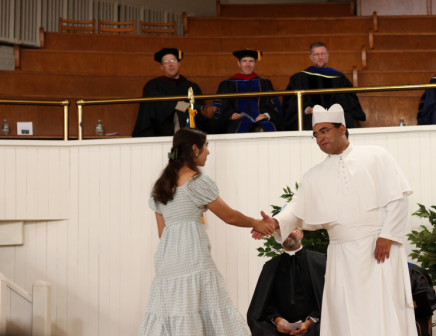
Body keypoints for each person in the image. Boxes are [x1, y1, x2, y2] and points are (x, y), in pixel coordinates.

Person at [252, 104, 416, 336]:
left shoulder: (376, 155)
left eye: (324, 130)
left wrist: (388, 235)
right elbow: (296, 209)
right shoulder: (313, 175)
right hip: (342, 255)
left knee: (383, 310)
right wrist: (274, 223)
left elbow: (398, 198)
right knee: (344, 313)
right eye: (316, 134)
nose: (320, 138)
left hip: (378, 248)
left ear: (342, 129)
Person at [139, 128, 274, 336]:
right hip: (192, 257)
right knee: (207, 309)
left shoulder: (160, 187)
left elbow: (162, 232)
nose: (208, 152)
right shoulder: (196, 183)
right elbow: (228, 216)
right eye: (206, 146)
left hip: (167, 262)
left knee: (177, 313)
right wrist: (255, 222)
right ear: (195, 148)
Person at [247, 227, 326, 336]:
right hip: (279, 332)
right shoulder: (270, 267)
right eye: (282, 230)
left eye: (292, 228)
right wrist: (278, 320)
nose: (287, 232)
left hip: (315, 330)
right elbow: (264, 305)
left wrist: (308, 323)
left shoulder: (321, 262)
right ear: (277, 237)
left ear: (301, 233)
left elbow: (328, 301)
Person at [282, 42, 366, 131]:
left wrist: (336, 109)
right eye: (317, 54)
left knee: (346, 118)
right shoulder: (299, 78)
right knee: (307, 121)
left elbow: (349, 101)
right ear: (311, 57)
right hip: (311, 116)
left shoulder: (339, 78)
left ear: (327, 55)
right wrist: (308, 109)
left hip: (336, 115)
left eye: (323, 54)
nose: (320, 57)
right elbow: (291, 103)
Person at [212, 49, 284, 133]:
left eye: (251, 61)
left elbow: (273, 105)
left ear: (255, 63)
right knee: (237, 127)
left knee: (267, 126)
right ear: (239, 63)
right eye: (244, 61)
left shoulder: (264, 84)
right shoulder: (227, 84)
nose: (248, 64)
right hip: (237, 121)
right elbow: (221, 106)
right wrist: (230, 115)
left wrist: (266, 115)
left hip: (261, 120)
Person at [408, 263, 436, 336]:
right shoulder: (376, 273)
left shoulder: (413, 271)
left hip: (412, 317)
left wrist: (408, 304)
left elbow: (429, 302)